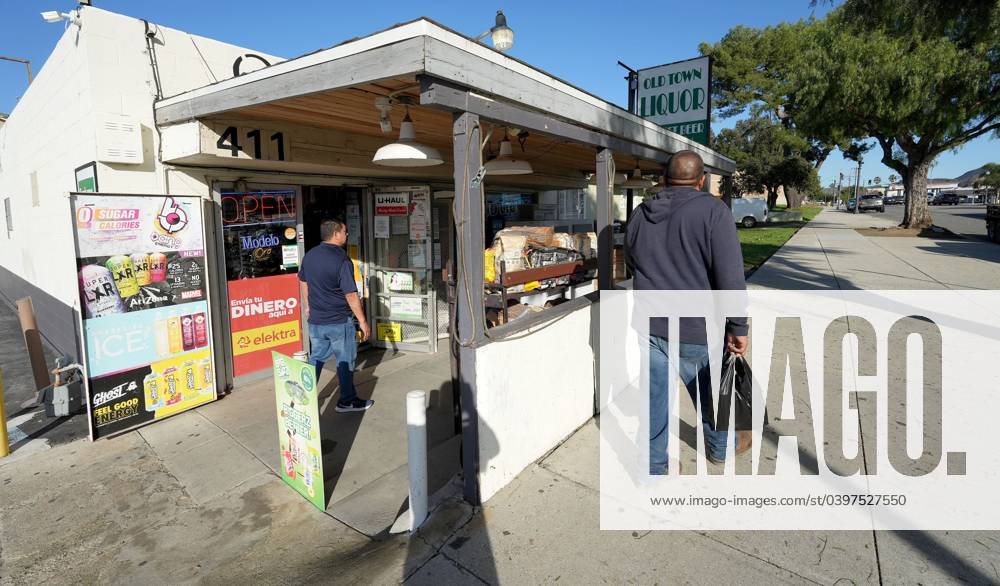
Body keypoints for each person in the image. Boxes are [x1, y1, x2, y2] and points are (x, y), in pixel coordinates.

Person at [625, 150, 749, 474]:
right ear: (702, 180)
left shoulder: (640, 213)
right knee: (709, 398)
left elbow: (631, 259)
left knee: (654, 402)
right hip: (696, 329)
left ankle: (655, 464)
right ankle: (720, 449)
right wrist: (738, 326)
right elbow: (730, 275)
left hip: (650, 326)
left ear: (664, 179)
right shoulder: (714, 211)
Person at [299, 218, 373, 412]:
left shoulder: (310, 255)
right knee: (345, 360)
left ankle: (302, 396)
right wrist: (363, 321)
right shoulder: (341, 259)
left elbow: (303, 281)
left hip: (316, 321)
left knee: (316, 358)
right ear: (335, 233)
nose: (346, 235)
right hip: (339, 322)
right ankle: (347, 401)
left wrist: (308, 305)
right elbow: (350, 294)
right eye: (345, 231)